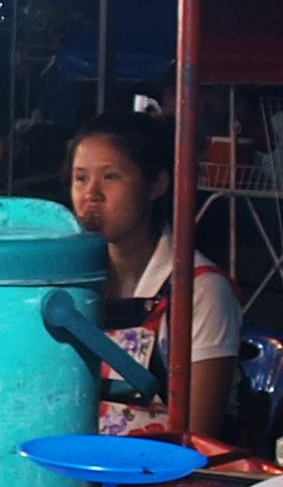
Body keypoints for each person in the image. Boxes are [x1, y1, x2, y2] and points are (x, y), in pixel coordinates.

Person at [67, 108, 240, 444]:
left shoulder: (201, 291)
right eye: (80, 178)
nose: (92, 194)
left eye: (111, 176)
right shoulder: (72, 283)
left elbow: (198, 438)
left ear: (157, 184)